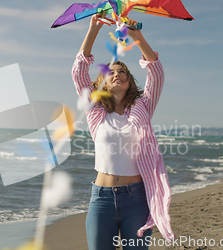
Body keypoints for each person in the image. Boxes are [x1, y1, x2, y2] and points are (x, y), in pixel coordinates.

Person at [72, 13, 174, 250]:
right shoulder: (96, 111)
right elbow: (78, 72)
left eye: (122, 72)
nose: (117, 74)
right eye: (111, 73)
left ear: (129, 81)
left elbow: (156, 73)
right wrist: (93, 29)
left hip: (136, 199)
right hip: (101, 198)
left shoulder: (143, 106)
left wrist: (137, 36)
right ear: (104, 83)